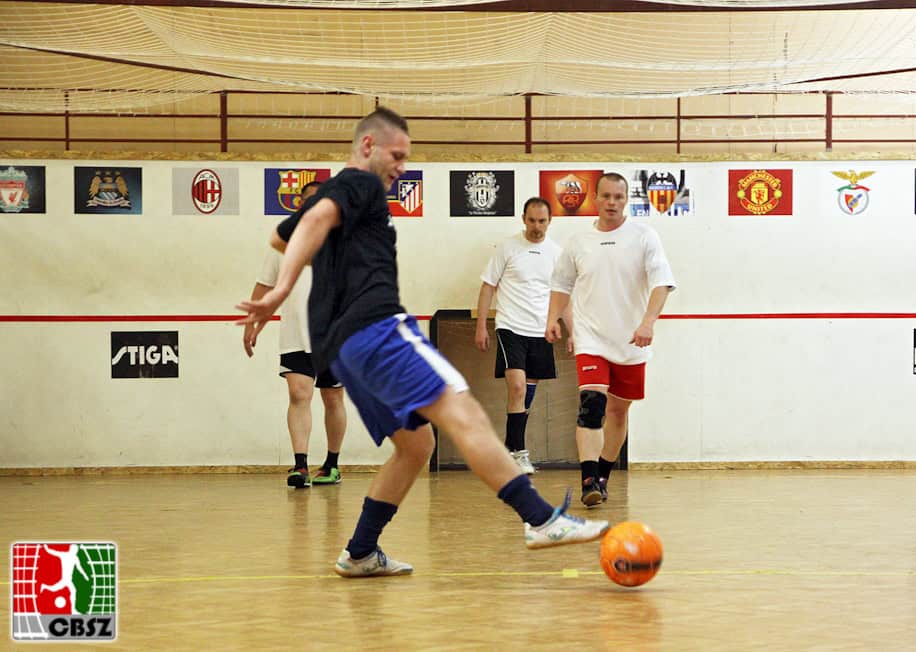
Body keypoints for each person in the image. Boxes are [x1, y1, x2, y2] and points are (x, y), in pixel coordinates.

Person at [237, 107, 609, 577]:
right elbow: (311, 226)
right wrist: (281, 291)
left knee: (416, 445)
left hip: (343, 349)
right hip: (377, 330)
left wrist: (297, 279)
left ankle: (360, 551)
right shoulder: (361, 185)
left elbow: (281, 236)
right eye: (397, 155)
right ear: (368, 146)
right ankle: (540, 519)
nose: (402, 167)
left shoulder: (335, 197)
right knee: (464, 412)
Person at [545, 172, 676, 508]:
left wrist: (648, 322)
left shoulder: (644, 236)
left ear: (626, 199)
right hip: (591, 338)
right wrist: (552, 318)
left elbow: (662, 284)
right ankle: (588, 479)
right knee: (592, 404)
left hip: (632, 342)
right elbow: (561, 285)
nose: (612, 203)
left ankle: (602, 476)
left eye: (618, 197)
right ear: (596, 199)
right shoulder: (578, 241)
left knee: (618, 412)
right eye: (606, 196)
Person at [243, 181, 348, 489]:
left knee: (332, 397)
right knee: (299, 394)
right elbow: (266, 285)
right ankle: (300, 465)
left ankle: (331, 465)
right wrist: (252, 323)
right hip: (296, 335)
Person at [475, 197, 568, 474]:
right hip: (510, 327)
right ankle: (519, 453)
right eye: (532, 220)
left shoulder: (556, 253)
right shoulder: (508, 247)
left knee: (525, 398)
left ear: (550, 222)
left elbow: (563, 297)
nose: (537, 226)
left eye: (542, 221)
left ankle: (509, 448)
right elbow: (488, 286)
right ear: (523, 219)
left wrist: (573, 333)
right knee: (516, 388)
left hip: (541, 332)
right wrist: (481, 326)